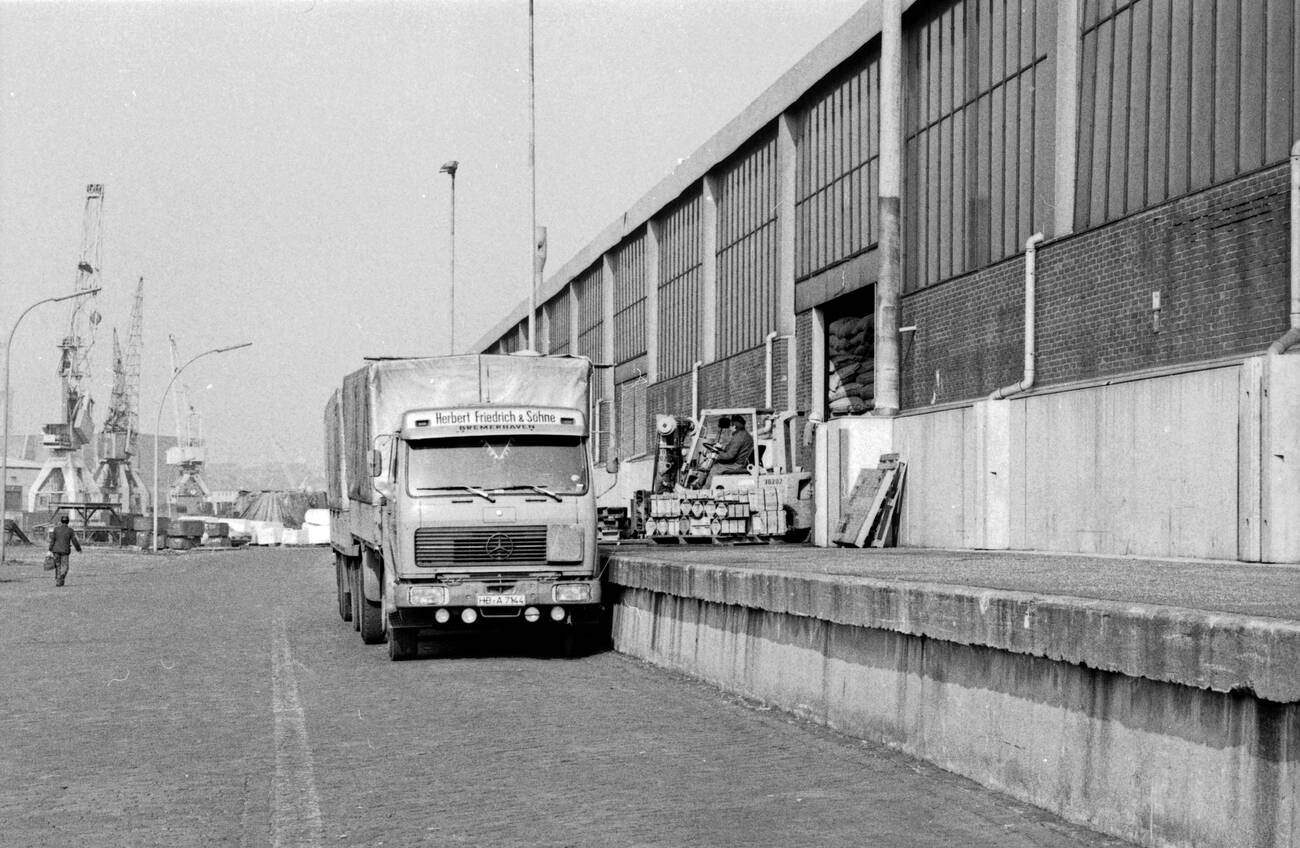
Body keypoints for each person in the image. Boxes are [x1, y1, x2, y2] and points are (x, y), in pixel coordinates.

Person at [707, 416, 754, 481]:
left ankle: (706, 489)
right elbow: (733, 449)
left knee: (715, 468)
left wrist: (716, 455)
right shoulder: (744, 434)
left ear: (734, 426)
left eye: (731, 426)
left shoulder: (738, 437)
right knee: (717, 464)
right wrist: (721, 447)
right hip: (740, 461)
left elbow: (729, 456)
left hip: (736, 464)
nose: (729, 428)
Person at [48, 515, 82, 588]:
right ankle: (60, 578)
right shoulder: (70, 530)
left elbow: (52, 541)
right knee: (65, 567)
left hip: (56, 551)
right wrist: (78, 549)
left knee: (58, 566)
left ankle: (58, 581)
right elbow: (74, 540)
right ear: (68, 522)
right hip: (65, 551)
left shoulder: (56, 529)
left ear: (61, 521)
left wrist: (49, 550)